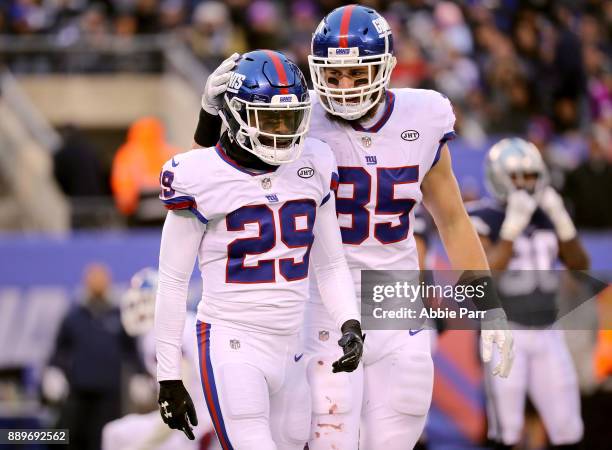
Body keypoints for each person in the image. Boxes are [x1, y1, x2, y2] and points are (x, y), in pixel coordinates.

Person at [193, 5, 514, 450]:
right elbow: (217, 169)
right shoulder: (298, 118)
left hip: (395, 295)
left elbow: (453, 219)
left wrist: (488, 304)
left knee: (404, 407)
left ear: (385, 68)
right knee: (331, 428)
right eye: (334, 74)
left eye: (357, 73)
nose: (344, 87)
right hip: (321, 300)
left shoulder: (423, 116)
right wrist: (210, 116)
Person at [154, 50, 364, 450]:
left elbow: (332, 262)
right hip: (233, 342)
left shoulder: (314, 162)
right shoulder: (199, 176)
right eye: (268, 117)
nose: (282, 129)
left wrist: (349, 322)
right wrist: (168, 375)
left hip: (294, 343)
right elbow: (173, 281)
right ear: (234, 114)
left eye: (290, 117)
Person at [468, 137, 588, 449]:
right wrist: (510, 229)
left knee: (567, 426)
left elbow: (580, 266)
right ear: (498, 175)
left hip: (549, 331)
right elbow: (484, 274)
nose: (524, 184)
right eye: (516, 176)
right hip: (507, 333)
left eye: (530, 176)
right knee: (505, 429)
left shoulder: (548, 213)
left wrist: (562, 221)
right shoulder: (482, 216)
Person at [102, 268, 218, 450]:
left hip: (198, 427)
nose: (138, 310)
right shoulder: (186, 322)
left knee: (115, 434)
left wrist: (139, 447)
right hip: (206, 419)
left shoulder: (163, 332)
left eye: (144, 301)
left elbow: (178, 406)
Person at [45, 263, 143, 450]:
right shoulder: (74, 316)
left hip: (109, 395)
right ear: (86, 282)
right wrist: (54, 371)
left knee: (104, 440)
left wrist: (139, 375)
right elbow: (60, 349)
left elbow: (131, 350)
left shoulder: (119, 315)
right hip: (78, 392)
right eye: (93, 280)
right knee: (71, 438)